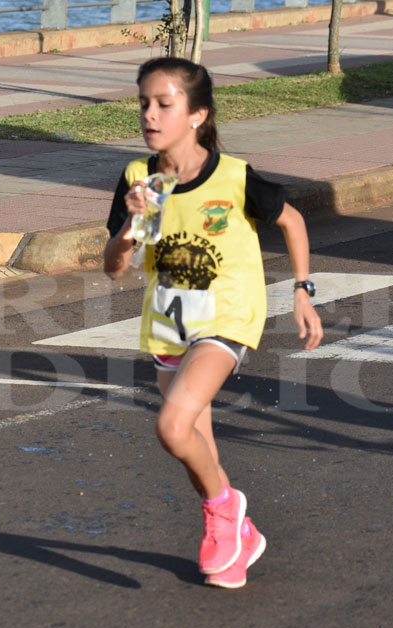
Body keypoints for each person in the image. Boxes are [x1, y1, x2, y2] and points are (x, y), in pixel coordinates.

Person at [103, 57, 323, 589]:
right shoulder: (139, 178)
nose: (149, 115)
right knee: (193, 445)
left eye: (164, 104)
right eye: (143, 103)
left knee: (171, 427)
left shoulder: (233, 176)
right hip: (168, 326)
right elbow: (113, 268)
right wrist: (132, 225)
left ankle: (223, 509)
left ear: (196, 114)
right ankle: (237, 532)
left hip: (226, 319)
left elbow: (291, 220)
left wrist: (302, 290)